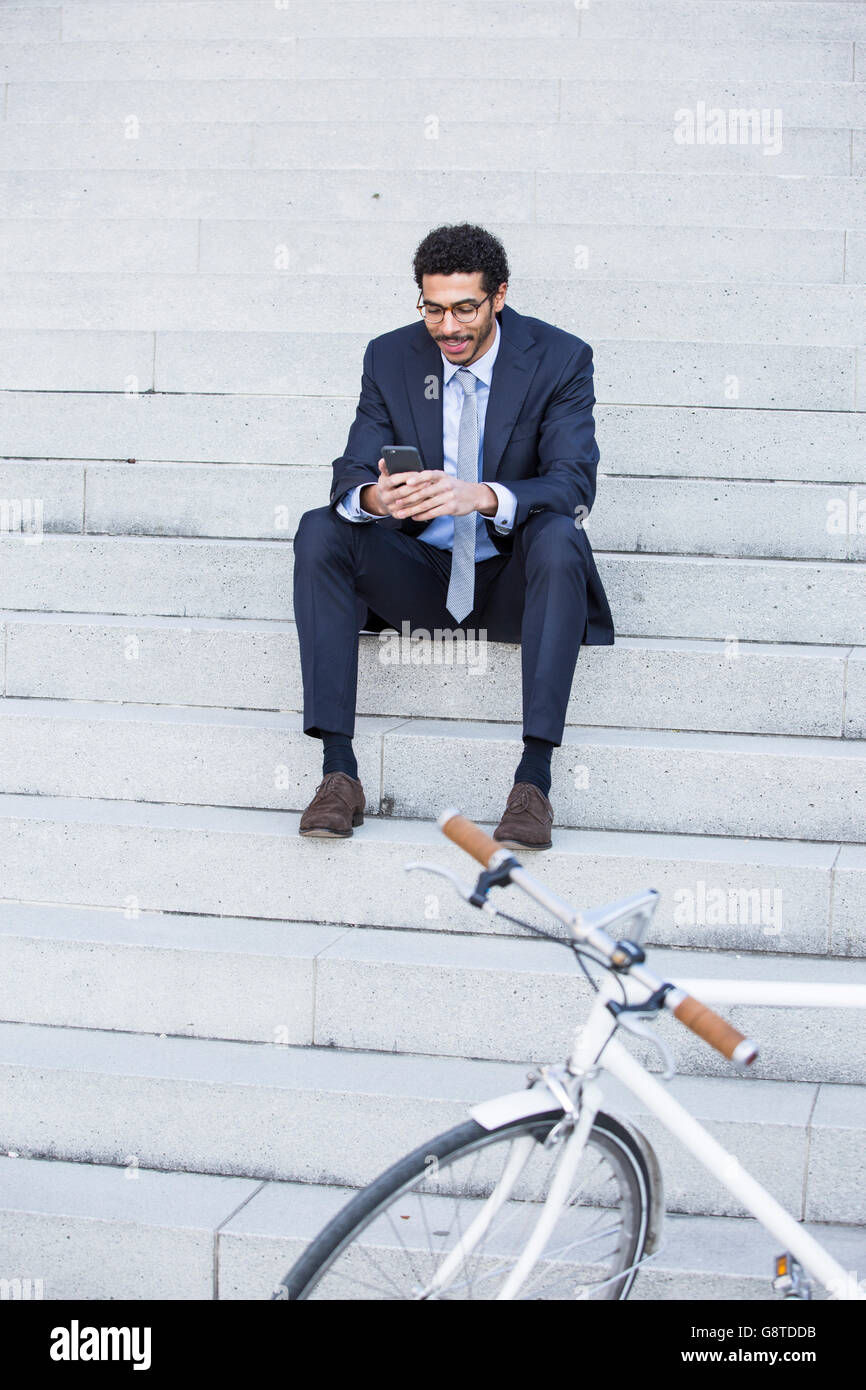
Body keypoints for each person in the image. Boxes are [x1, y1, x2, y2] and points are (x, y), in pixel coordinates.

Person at [292, 222, 614, 850]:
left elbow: (574, 484)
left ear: (499, 296)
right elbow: (351, 470)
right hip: (420, 572)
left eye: (466, 308)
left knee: (557, 537)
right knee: (320, 528)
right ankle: (338, 773)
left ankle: (533, 782)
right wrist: (372, 497)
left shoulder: (560, 358)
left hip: (513, 577)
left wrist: (485, 496)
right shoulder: (390, 356)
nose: (449, 328)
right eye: (433, 309)